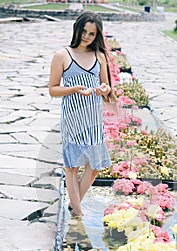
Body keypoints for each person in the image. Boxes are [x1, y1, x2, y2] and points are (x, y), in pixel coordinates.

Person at [49, 11, 113, 217]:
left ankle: (72, 203)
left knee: (94, 167)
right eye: (84, 31)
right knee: (72, 165)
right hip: (73, 117)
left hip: (94, 118)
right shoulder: (62, 55)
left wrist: (104, 90)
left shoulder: (99, 56)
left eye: (92, 34)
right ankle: (78, 212)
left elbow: (106, 86)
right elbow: (52, 89)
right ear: (77, 29)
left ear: (97, 36)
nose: (86, 36)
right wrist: (74, 88)